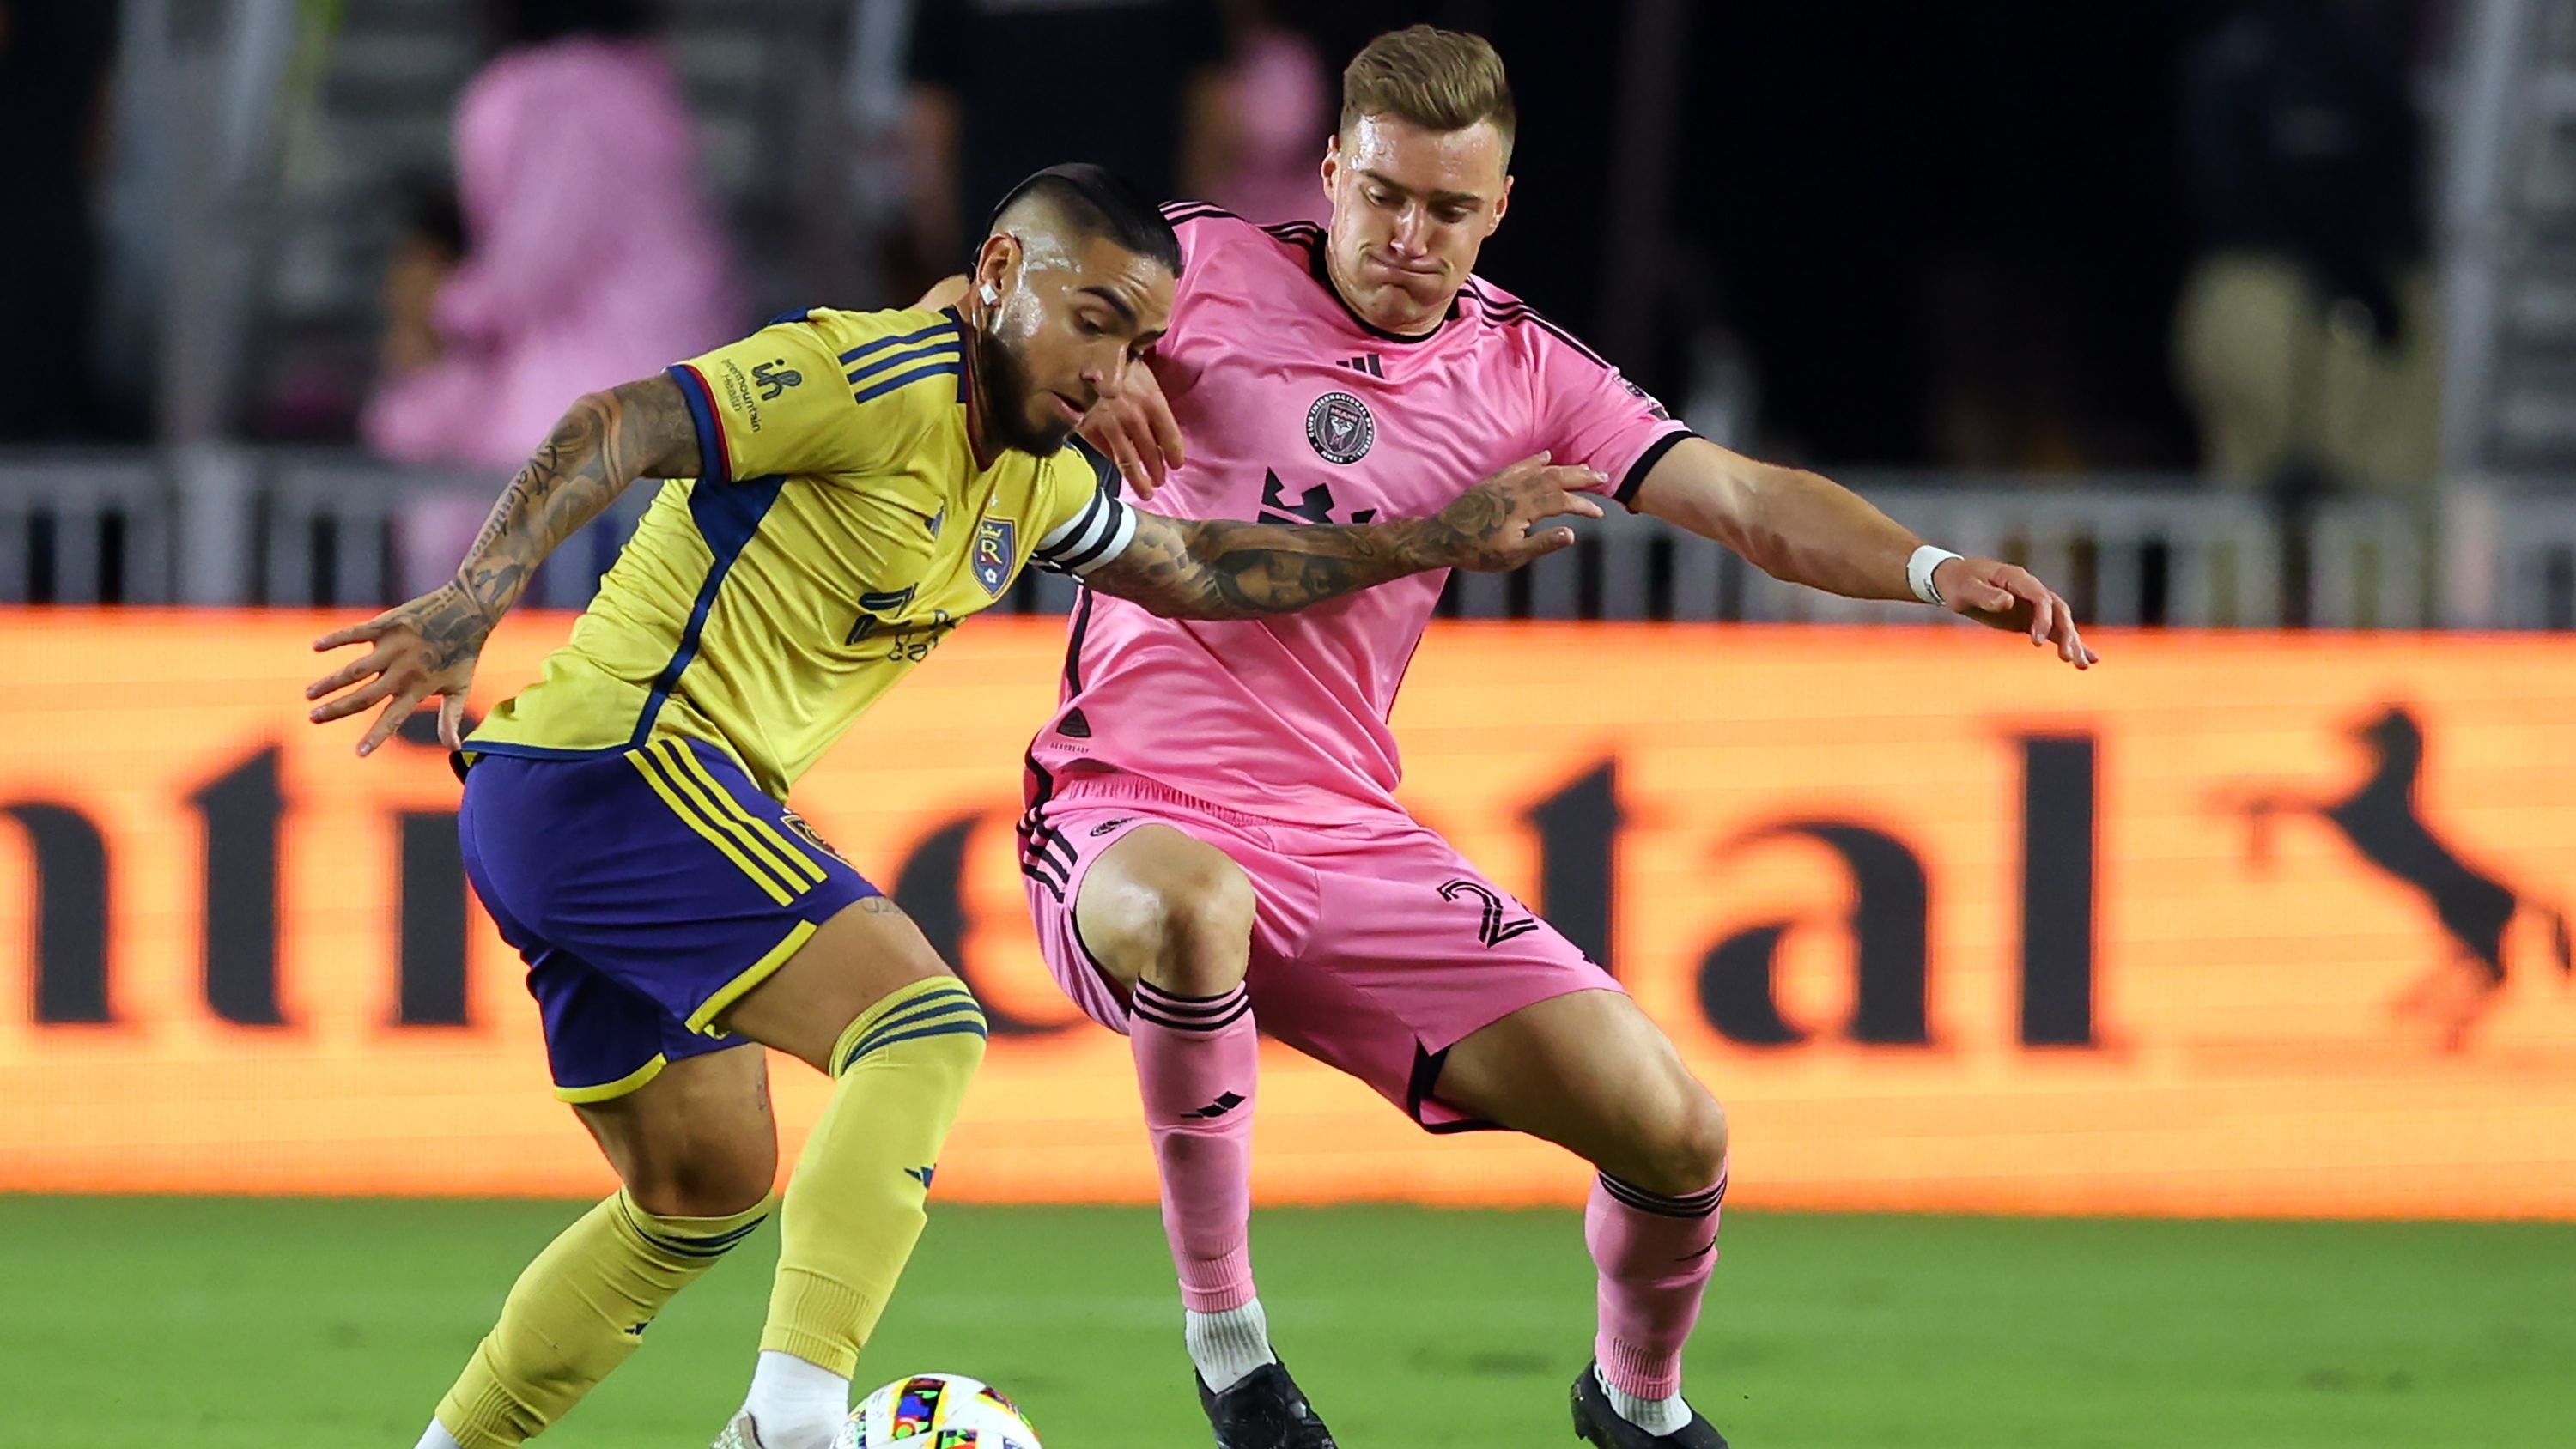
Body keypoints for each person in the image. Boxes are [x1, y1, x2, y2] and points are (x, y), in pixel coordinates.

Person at [305, 163, 1598, 1449]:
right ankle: (794, 1424)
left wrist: (1429, 537)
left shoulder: (1032, 480)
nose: (1112, 368)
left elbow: (1196, 565)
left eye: (1140, 340)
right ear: (995, 280)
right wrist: (477, 598)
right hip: (616, 769)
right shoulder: (869, 378)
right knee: (920, 1027)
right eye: (1091, 320)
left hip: (587, 809)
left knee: (698, 1195)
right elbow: (620, 420)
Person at [995, 28, 2096, 1449]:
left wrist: (1933, 568)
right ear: (1330, 171)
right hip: (1125, 804)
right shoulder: (1191, 268)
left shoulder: (1523, 372)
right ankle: (1233, 1353)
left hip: (1345, 836)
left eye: (1448, 210)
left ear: (1499, 207)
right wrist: (1067, 365)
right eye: (1383, 196)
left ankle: (1636, 1403)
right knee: (1197, 907)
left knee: (1678, 1134)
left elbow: (1747, 499)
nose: (1407, 236)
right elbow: (985, 291)